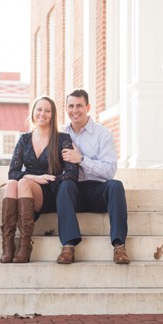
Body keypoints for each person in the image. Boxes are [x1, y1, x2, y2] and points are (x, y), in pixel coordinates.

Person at [54, 89, 130, 265]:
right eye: (71, 106)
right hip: (73, 192)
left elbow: (110, 170)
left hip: (97, 190)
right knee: (64, 186)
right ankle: (68, 246)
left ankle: (119, 246)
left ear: (87, 107)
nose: (75, 110)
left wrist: (81, 159)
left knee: (115, 185)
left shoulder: (103, 134)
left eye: (79, 105)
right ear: (66, 108)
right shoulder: (60, 135)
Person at [0, 96, 79, 263]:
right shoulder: (24, 139)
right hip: (26, 188)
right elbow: (12, 172)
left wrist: (49, 179)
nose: (43, 113)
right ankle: (7, 245)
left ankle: (25, 244)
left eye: (47, 110)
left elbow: (72, 173)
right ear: (33, 112)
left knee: (21, 182)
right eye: (39, 109)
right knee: (13, 183)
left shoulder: (63, 139)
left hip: (50, 191)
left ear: (53, 114)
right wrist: (34, 177)